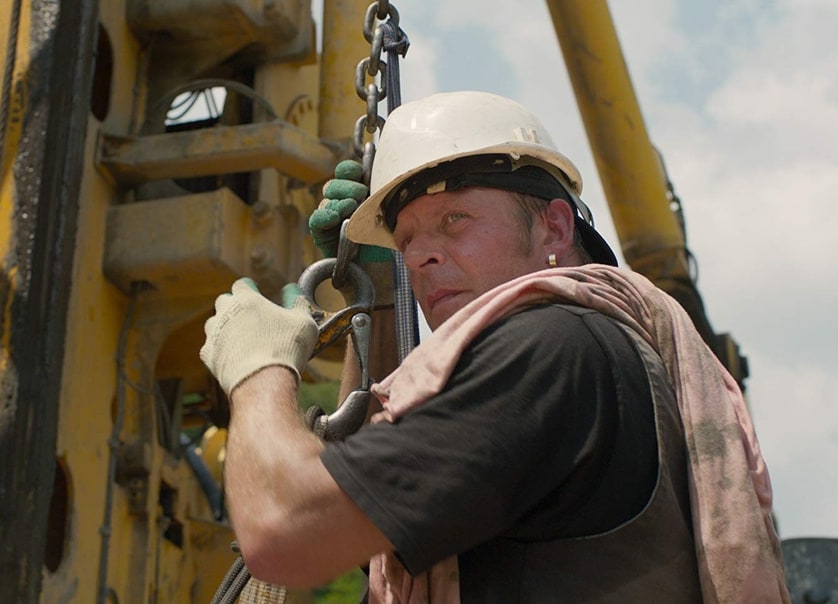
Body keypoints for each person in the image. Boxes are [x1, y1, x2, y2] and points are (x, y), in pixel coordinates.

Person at [200, 91, 788, 603]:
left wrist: (257, 367)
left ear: (555, 227)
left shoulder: (553, 349)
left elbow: (288, 534)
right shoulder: (598, 351)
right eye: (406, 239)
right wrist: (377, 292)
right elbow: (375, 521)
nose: (420, 256)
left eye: (454, 219)